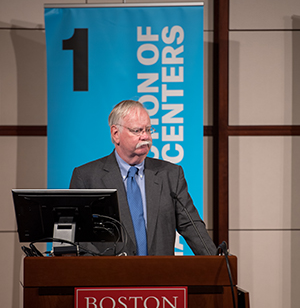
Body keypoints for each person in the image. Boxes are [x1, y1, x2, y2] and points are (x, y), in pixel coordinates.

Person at [69, 100, 217, 256]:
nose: (145, 136)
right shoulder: (87, 177)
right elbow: (78, 237)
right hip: (109, 276)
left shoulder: (170, 174)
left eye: (148, 129)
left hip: (159, 276)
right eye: (137, 130)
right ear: (115, 134)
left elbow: (191, 225)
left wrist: (216, 263)